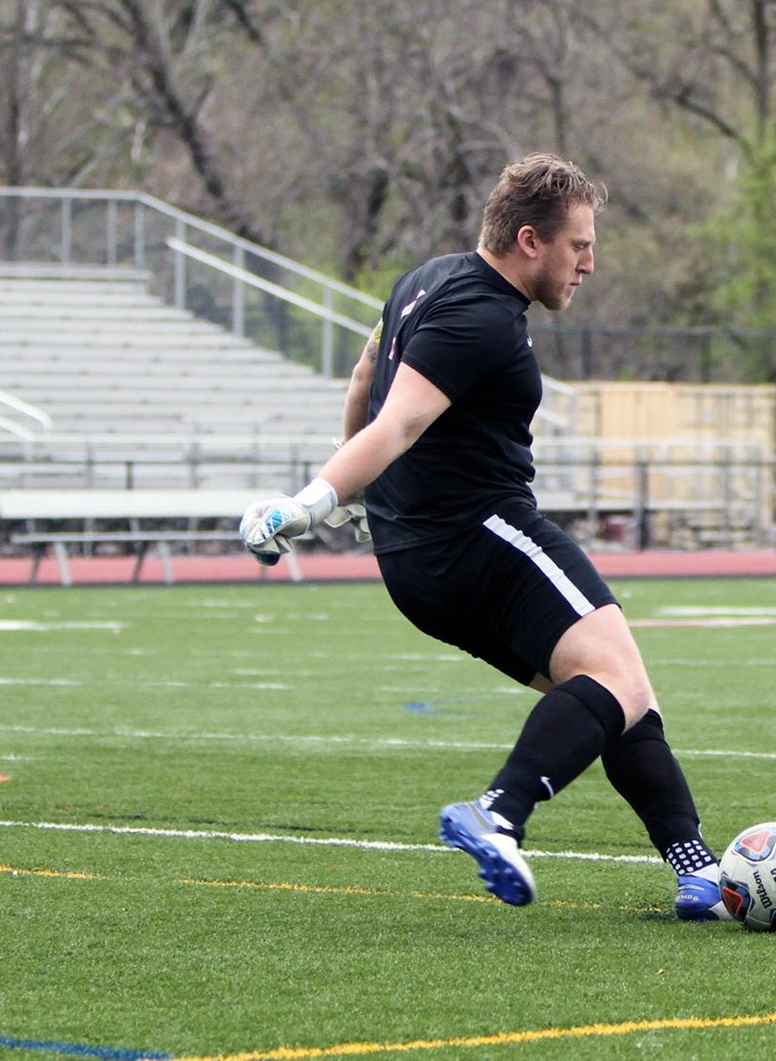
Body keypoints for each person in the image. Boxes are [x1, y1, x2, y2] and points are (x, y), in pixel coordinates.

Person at [240, 153, 727, 918]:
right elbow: (398, 419)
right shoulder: (481, 315)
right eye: (579, 246)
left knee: (610, 694)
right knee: (619, 684)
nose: (590, 264)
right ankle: (498, 814)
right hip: (480, 533)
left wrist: (353, 505)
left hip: (418, 563)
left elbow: (367, 379)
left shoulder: (423, 279)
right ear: (529, 240)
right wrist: (314, 501)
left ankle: (697, 870)